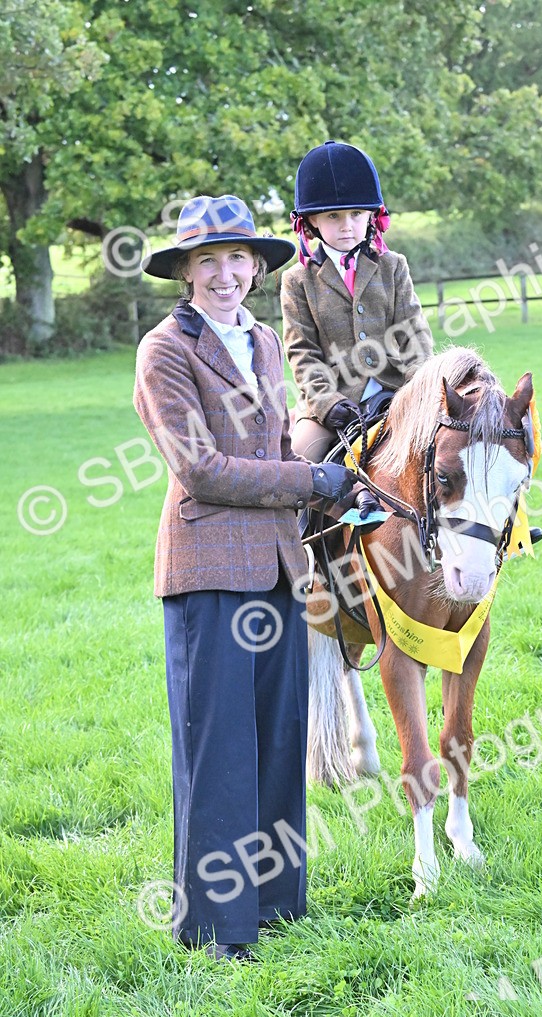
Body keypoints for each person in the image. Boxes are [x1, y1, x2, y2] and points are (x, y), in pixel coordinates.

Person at [133, 194, 357, 961]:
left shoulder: (262, 341)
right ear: (186, 273)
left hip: (277, 564)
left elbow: (276, 444)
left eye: (237, 260)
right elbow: (200, 469)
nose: (225, 274)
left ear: (257, 269)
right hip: (206, 567)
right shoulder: (164, 349)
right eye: (208, 261)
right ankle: (216, 929)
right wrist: (309, 483)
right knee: (217, 747)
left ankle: (275, 905)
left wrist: (335, 477)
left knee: (276, 737)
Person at [281, 140, 435, 463]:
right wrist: (327, 402)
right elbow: (302, 353)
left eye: (355, 214)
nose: (347, 226)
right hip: (333, 405)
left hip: (395, 394)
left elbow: (413, 334)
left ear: (370, 216)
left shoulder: (392, 266)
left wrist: (419, 389)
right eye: (334, 216)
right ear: (311, 221)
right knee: (296, 459)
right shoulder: (297, 281)